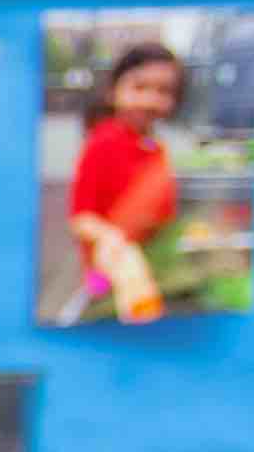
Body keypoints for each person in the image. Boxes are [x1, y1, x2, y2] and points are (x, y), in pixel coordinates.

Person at [59, 42, 184, 326]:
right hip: (109, 278)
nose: (150, 99)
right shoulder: (103, 143)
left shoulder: (154, 148)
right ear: (113, 91)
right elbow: (80, 218)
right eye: (139, 87)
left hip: (154, 268)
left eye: (164, 91)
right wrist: (111, 239)